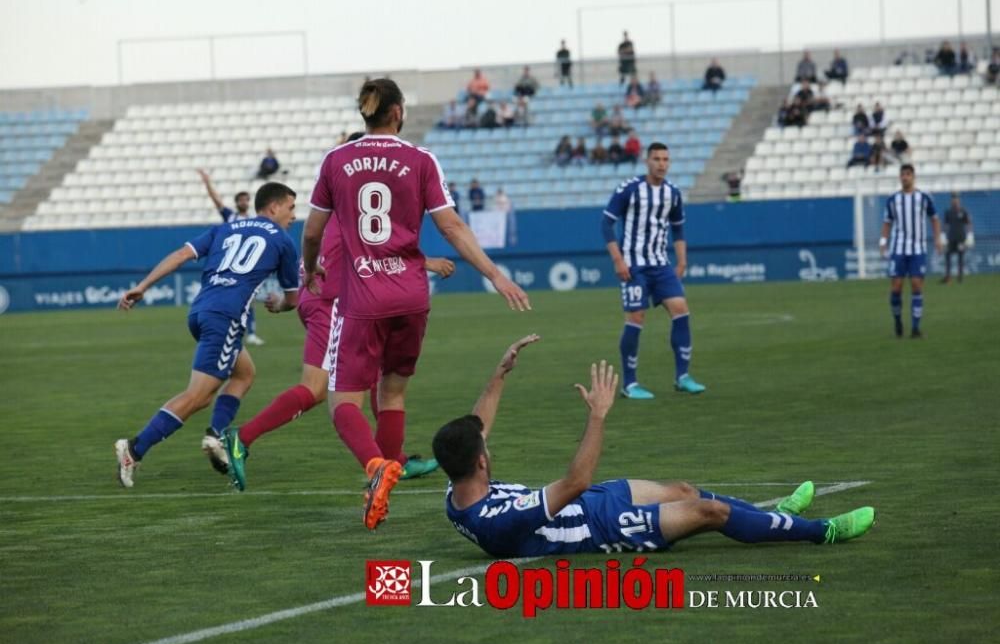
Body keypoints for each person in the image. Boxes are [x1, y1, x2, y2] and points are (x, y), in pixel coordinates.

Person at [302, 78, 530, 530]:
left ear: (364, 113)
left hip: (362, 296)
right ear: (398, 112)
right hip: (410, 295)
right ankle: (387, 477)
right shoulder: (420, 159)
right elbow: (452, 228)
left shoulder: (336, 160)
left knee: (341, 399)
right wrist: (495, 274)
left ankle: (376, 468)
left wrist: (310, 269)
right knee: (394, 392)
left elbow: (311, 232)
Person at [433, 337, 876, 559]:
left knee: (685, 488)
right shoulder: (501, 521)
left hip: (592, 502)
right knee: (710, 513)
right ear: (480, 461)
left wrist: (500, 372)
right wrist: (598, 415)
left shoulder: (457, 491)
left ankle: (779, 514)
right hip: (604, 529)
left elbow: (478, 427)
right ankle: (823, 531)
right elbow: (575, 480)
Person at [222, 133, 458, 491]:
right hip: (333, 303)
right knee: (318, 390)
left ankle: (392, 461)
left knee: (381, 376)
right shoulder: (352, 207)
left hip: (332, 300)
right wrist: (425, 262)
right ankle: (243, 438)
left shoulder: (339, 202)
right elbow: (371, 248)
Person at [113, 183, 300, 488]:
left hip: (200, 312)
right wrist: (277, 306)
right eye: (291, 208)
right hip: (225, 318)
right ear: (274, 207)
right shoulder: (283, 241)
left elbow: (179, 255)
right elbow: (292, 299)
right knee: (197, 396)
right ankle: (133, 450)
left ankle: (217, 436)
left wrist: (142, 286)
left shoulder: (224, 229)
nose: (294, 215)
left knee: (244, 374)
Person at [601, 142, 705, 398]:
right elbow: (606, 224)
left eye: (665, 159)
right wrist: (618, 260)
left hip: (661, 265)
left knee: (681, 310)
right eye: (656, 158)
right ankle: (630, 383)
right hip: (633, 266)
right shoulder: (630, 189)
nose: (661, 163)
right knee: (636, 318)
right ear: (647, 161)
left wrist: (681, 262)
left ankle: (683, 376)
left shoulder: (673, 193)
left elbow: (678, 229)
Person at [196, 169, 264, 345]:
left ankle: (251, 332)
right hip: (228, 262)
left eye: (246, 199)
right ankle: (224, 329)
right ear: (236, 202)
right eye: (241, 199)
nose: (244, 202)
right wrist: (207, 182)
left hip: (245, 264)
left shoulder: (254, 220)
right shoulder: (230, 216)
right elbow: (216, 200)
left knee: (249, 299)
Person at [879, 164, 943, 338]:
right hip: (898, 249)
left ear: (913, 176)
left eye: (908, 174)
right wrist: (883, 242)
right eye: (902, 175)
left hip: (917, 249)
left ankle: (915, 328)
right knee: (896, 287)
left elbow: (935, 219)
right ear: (900, 177)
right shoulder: (893, 200)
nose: (905, 177)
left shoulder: (923, 198)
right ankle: (898, 321)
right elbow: (887, 223)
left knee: (916, 285)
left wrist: (938, 239)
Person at [941, 193, 973, 284]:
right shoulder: (948, 211)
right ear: (951, 201)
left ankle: (960, 278)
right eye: (953, 199)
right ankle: (948, 277)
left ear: (959, 200)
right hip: (951, 238)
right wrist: (943, 236)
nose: (954, 201)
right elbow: (945, 225)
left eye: (956, 199)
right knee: (947, 256)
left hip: (961, 239)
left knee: (960, 258)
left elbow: (969, 223)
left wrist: (970, 235)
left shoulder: (963, 211)